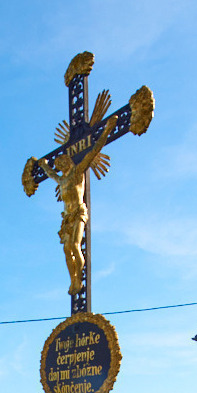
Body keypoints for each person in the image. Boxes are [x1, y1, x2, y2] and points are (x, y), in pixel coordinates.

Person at [38, 115, 118, 295]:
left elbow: (94, 150)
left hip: (79, 212)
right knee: (67, 250)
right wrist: (44, 166)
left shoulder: (77, 172)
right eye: (59, 164)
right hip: (67, 218)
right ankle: (73, 279)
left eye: (62, 162)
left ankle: (79, 277)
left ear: (68, 161)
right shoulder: (62, 180)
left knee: (75, 246)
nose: (61, 165)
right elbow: (51, 175)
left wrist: (107, 129)